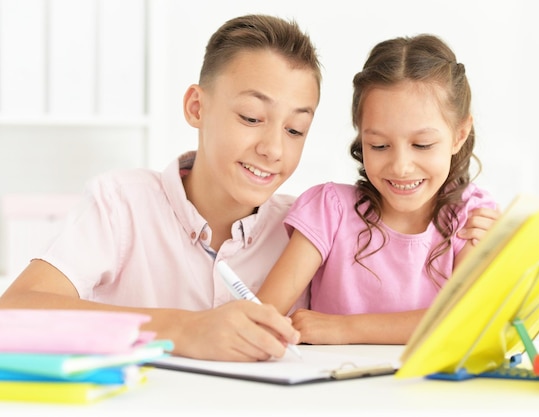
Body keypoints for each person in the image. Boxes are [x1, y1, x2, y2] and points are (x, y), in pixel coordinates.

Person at [0, 14, 322, 362]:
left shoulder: (307, 230)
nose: (273, 149)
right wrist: (182, 329)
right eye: (251, 117)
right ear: (196, 107)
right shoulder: (122, 204)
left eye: (295, 130)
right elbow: (14, 313)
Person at [256, 34, 500, 345]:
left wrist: (343, 329)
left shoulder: (471, 217)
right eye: (379, 145)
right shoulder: (329, 210)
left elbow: (466, 319)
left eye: (422, 144)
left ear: (459, 134)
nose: (400, 166)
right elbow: (262, 316)